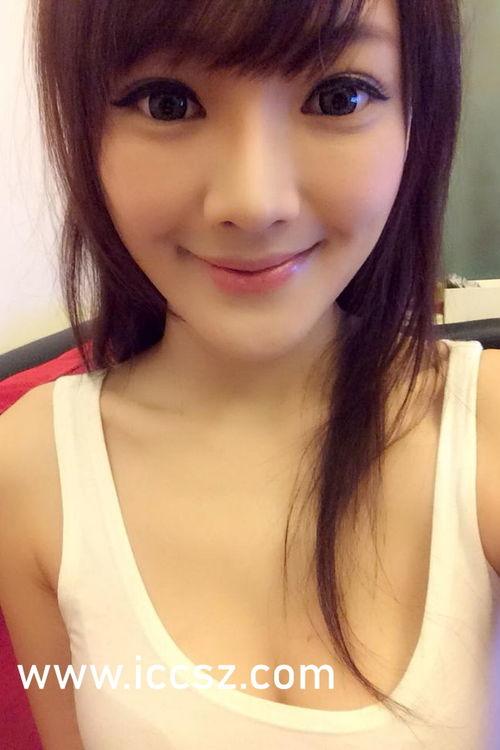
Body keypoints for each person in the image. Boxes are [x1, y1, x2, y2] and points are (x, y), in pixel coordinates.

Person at [1, 0, 499, 747]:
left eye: (338, 97)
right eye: (167, 103)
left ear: (416, 120)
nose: (254, 203)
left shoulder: (482, 426)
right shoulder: (30, 468)